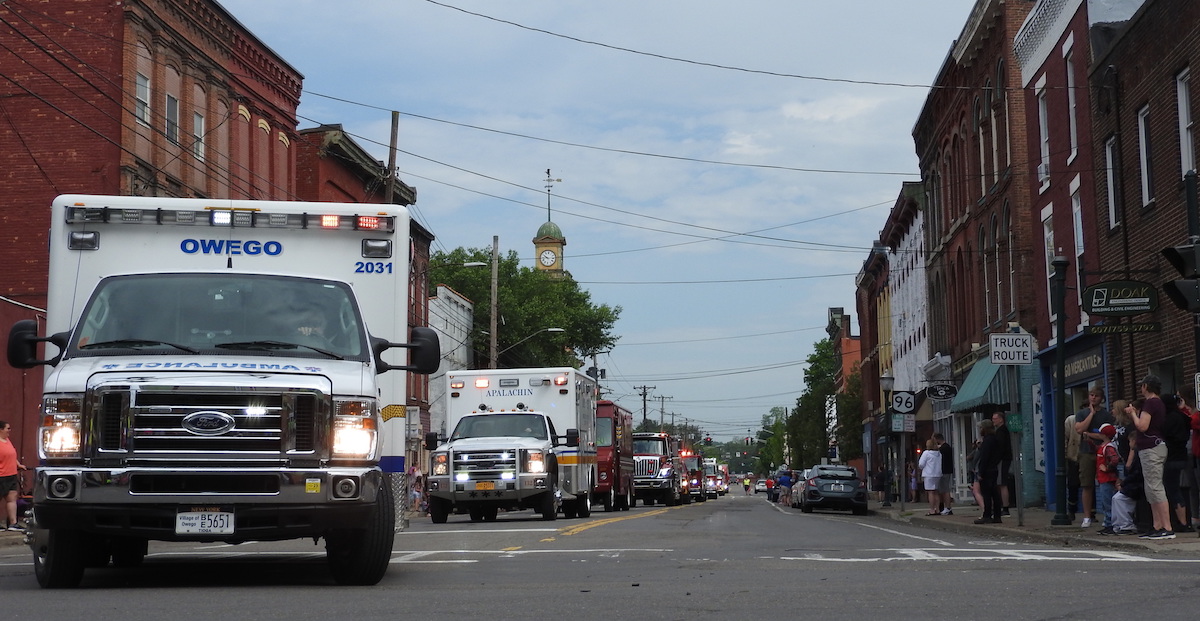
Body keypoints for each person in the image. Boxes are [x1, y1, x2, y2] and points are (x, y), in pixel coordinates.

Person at [1127, 374, 1174, 539]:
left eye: (1142, 385)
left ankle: (1167, 527)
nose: (1141, 388)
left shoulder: (1151, 402)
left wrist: (1133, 413)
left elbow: (1142, 426)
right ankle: (1157, 525)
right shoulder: (1157, 403)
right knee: (1150, 488)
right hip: (1154, 447)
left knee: (1155, 487)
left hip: (1151, 448)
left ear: (1146, 386)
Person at [1074, 388, 1113, 527]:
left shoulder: (1107, 415)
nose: (1093, 398)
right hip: (1086, 452)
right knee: (1087, 485)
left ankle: (1107, 515)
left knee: (1105, 484)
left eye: (1096, 396)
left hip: (1103, 452)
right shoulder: (1081, 414)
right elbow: (1079, 429)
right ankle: (1087, 516)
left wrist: (1089, 434)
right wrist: (1091, 414)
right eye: (1091, 395)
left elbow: (1107, 436)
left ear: (1101, 398)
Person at [1, 420, 29, 531]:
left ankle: (13, 523)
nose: (9, 431)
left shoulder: (7, 440)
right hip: (1, 475)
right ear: (1, 429)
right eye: (8, 428)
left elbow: (12, 455)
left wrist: (18, 465)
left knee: (11, 498)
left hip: (11, 474)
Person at [974, 419, 1003, 524]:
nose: (980, 429)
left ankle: (987, 515)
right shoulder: (995, 439)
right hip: (993, 469)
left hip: (987, 470)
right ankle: (997, 515)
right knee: (995, 493)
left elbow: (985, 457)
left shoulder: (987, 440)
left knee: (987, 493)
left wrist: (981, 472)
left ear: (985, 429)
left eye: (981, 428)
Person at [1094, 423, 1120, 535]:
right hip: (1103, 479)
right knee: (1105, 503)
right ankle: (1107, 523)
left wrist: (1107, 468)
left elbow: (1114, 460)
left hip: (1107, 479)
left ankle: (1110, 524)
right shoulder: (1104, 446)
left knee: (1108, 502)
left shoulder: (1108, 447)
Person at [991, 410, 1013, 515]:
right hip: (1004, 459)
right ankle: (1002, 505)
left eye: (995, 419)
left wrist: (995, 460)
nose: (993, 421)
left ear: (1001, 419)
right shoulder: (1001, 431)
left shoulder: (1001, 432)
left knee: (1002, 483)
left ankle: (1005, 507)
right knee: (1000, 484)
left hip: (1002, 460)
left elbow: (1000, 448)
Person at [918, 438, 942, 516]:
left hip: (929, 474)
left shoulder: (926, 453)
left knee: (930, 492)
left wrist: (922, 468)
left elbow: (921, 464)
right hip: (937, 474)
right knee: (936, 492)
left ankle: (932, 510)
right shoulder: (939, 454)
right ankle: (937, 509)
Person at [935, 432, 954, 515]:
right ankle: (944, 507)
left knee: (945, 490)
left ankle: (948, 507)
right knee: (943, 489)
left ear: (937, 439)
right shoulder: (947, 447)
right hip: (947, 470)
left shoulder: (943, 449)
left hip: (944, 471)